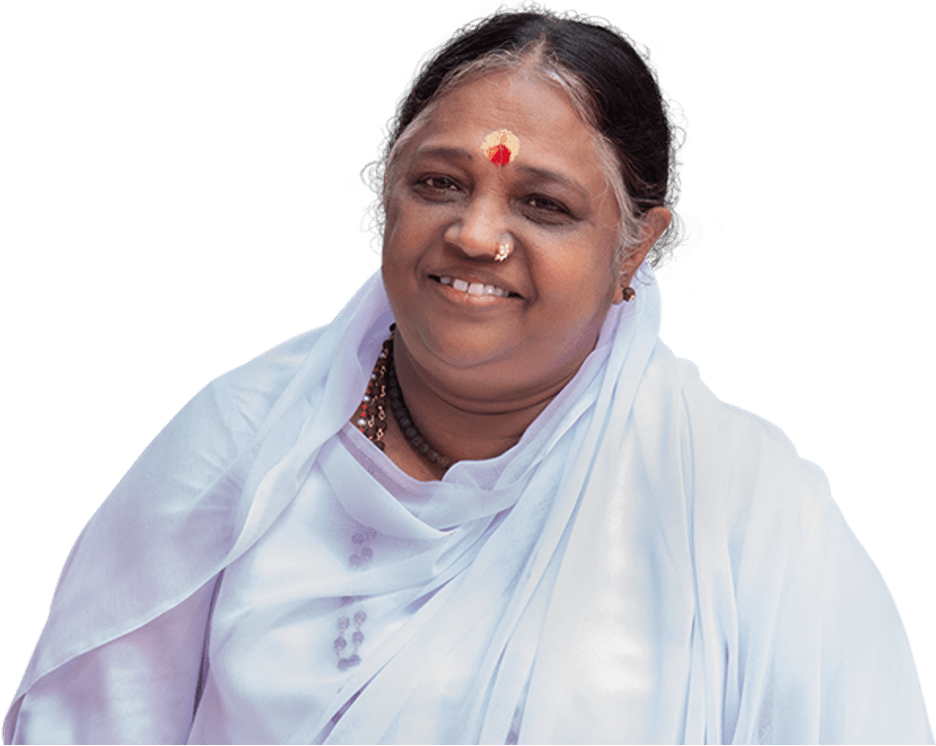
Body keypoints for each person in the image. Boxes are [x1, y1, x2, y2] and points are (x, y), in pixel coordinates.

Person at [4, 2, 933, 744]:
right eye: (440, 184)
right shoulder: (244, 444)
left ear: (634, 248)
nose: (477, 235)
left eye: (544, 204)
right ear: (388, 191)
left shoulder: (742, 505)